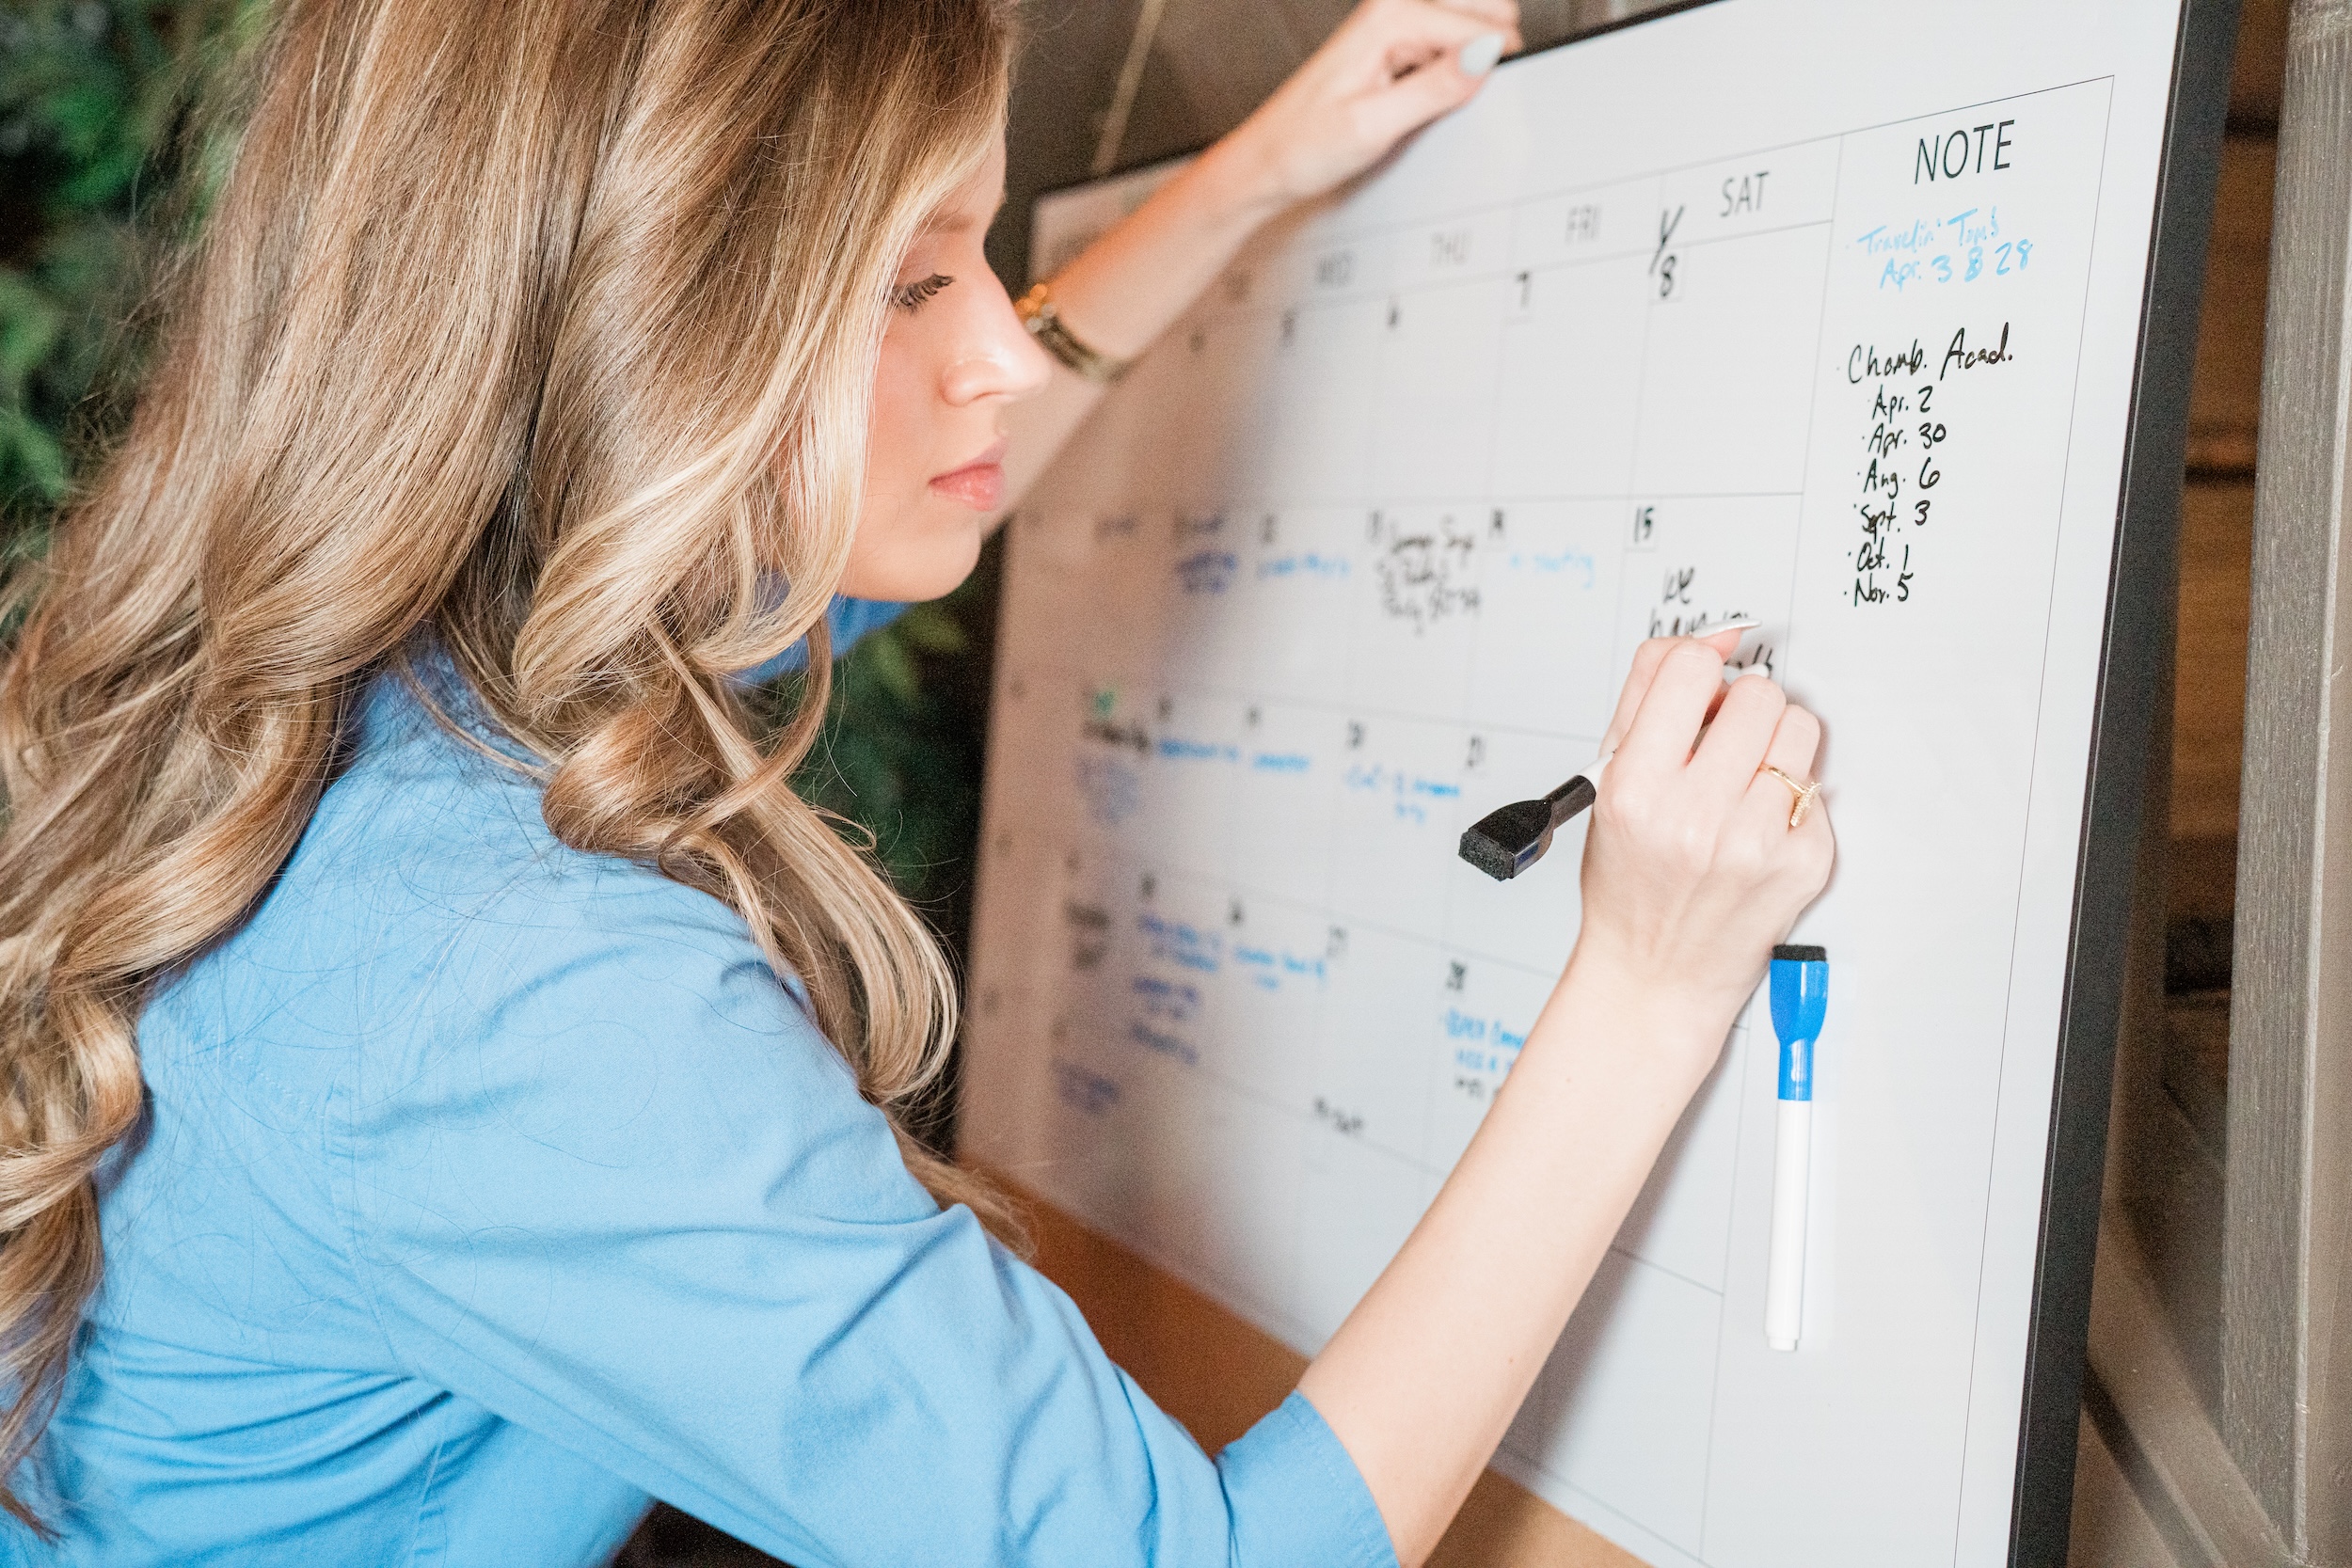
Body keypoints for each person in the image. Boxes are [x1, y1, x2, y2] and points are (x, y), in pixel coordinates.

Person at [0, 0, 1833, 1563]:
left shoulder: (399, 683)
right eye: (910, 281)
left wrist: (1251, 178)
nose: (999, 353)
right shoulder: (522, 995)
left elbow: (842, 552)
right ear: (636, 344)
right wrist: (1647, 984)